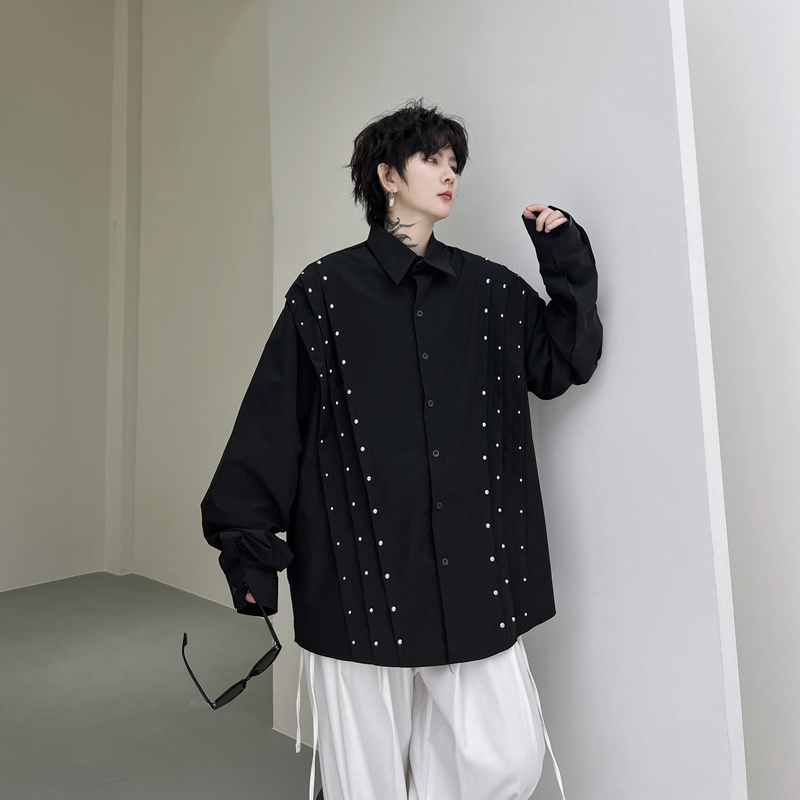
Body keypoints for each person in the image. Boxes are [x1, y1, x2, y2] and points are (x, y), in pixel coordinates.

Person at [201, 97, 603, 800]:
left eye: (455, 163)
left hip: (469, 569)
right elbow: (272, 421)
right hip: (356, 570)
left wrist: (564, 255)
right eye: (431, 159)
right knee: (366, 782)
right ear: (387, 175)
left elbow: (562, 362)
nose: (449, 174)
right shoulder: (325, 293)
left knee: (507, 759)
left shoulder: (488, 292)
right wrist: (248, 550)